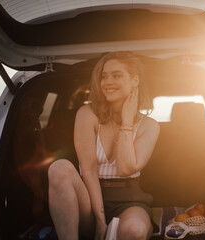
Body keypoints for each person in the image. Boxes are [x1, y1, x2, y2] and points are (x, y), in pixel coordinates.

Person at [48, 51, 160, 240]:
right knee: (59, 168)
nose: (107, 82)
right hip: (89, 198)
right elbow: (89, 170)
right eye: (103, 76)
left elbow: (125, 168)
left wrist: (126, 121)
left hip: (130, 200)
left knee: (134, 231)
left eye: (116, 75)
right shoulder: (87, 114)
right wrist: (100, 219)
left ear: (135, 80)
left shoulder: (149, 126)